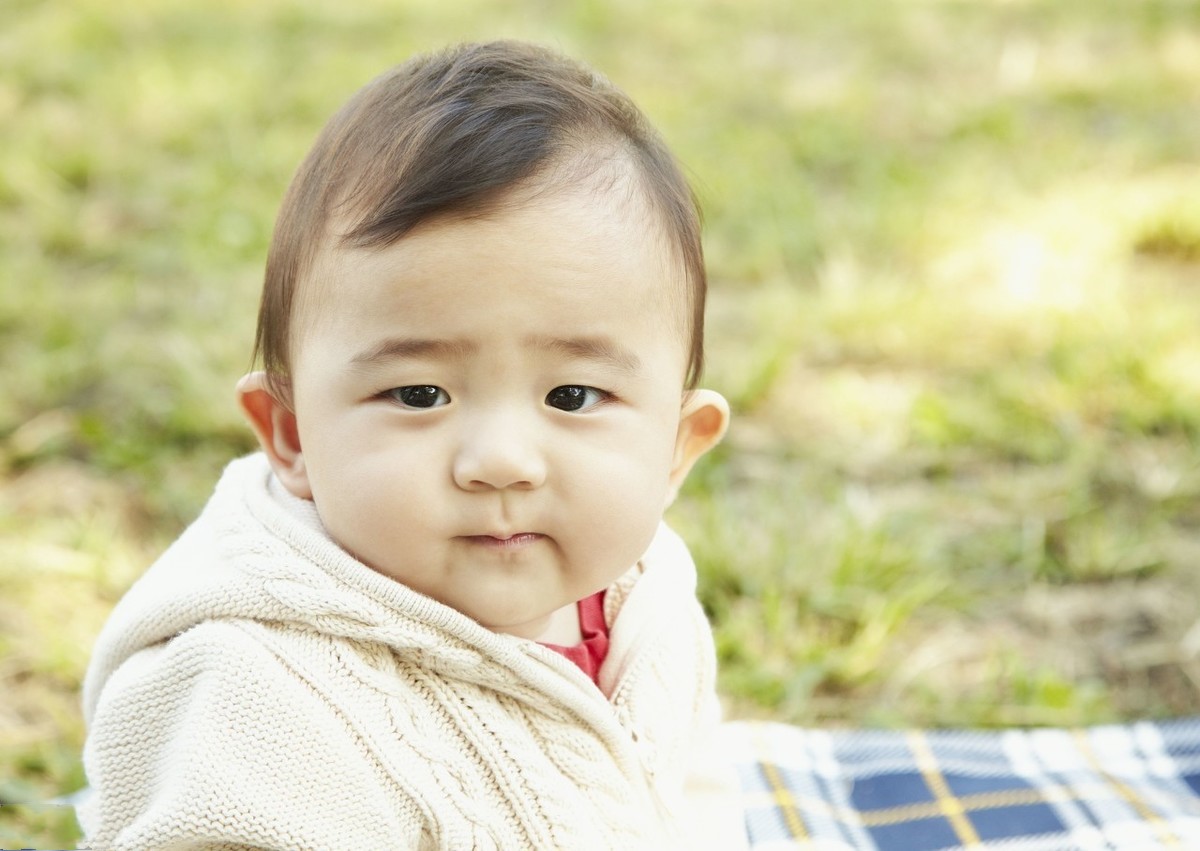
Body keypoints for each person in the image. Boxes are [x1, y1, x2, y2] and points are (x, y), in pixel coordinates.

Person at [80, 40, 745, 850]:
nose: (502, 460)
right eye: (419, 394)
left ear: (676, 446)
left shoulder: (644, 595)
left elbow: (692, 794)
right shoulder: (250, 690)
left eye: (572, 396)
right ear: (291, 434)